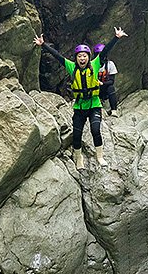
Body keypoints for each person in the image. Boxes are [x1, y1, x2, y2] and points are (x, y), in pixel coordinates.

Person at [34, 27, 128, 169]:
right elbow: (57, 56)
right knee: (77, 135)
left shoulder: (95, 64)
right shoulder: (72, 67)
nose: (82, 58)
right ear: (76, 58)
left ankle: (100, 157)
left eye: (84, 56)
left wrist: (116, 38)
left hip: (94, 104)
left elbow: (105, 51)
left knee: (95, 130)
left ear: (88, 57)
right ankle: (79, 159)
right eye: (79, 56)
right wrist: (43, 45)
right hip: (79, 106)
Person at [93, 43, 119, 115]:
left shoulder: (110, 64)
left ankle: (114, 110)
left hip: (104, 88)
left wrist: (102, 83)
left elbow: (111, 81)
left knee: (111, 88)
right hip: (94, 89)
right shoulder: (92, 65)